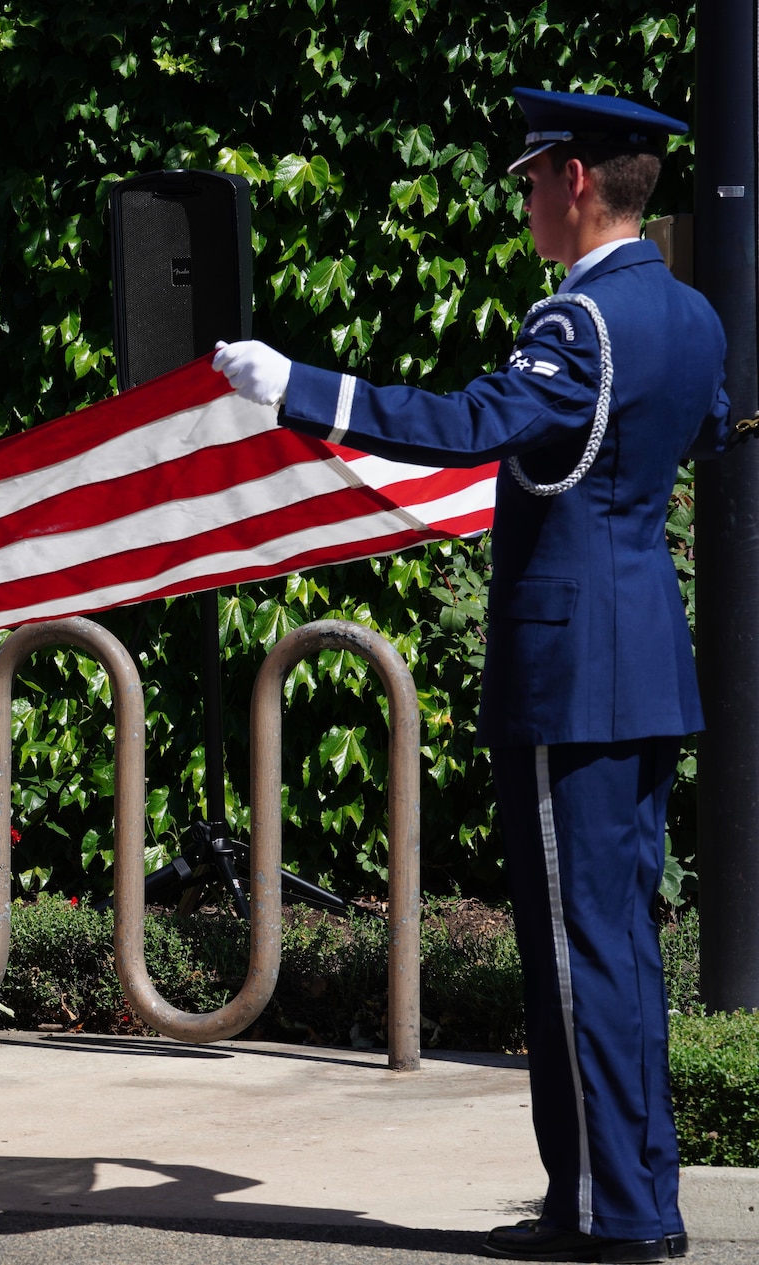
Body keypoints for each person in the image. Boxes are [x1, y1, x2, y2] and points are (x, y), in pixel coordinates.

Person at [215, 89, 728, 1263]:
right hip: (641, 653)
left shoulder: (578, 323)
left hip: (571, 663)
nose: (526, 200)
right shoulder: (689, 313)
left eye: (532, 178)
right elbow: (694, 428)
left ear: (577, 181)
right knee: (616, 940)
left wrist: (302, 386)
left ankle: (610, 1216)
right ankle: (622, 1195)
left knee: (575, 946)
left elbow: (470, 421)